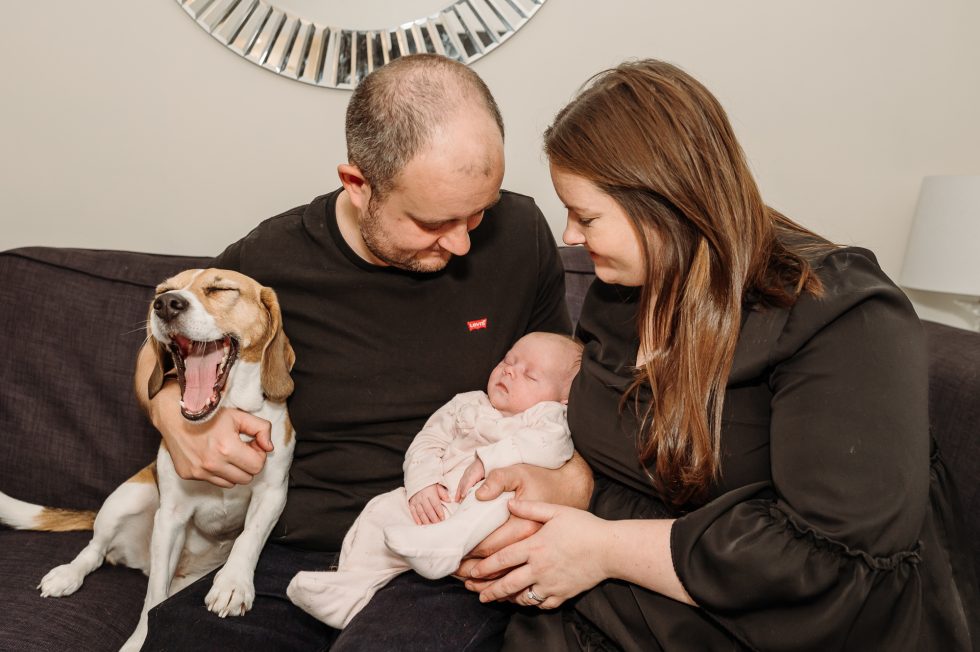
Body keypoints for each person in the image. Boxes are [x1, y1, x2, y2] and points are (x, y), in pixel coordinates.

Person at [459, 59, 980, 650]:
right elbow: (621, 450)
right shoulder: (619, 292)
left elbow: (834, 564)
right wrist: (570, 487)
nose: (571, 236)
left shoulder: (839, 313)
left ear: (666, 202)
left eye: (587, 215)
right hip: (601, 604)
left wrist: (602, 548)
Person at [133, 54, 594, 651]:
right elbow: (162, 345)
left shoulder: (521, 234)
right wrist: (172, 417)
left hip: (444, 552)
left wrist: (573, 482)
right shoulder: (273, 258)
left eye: (477, 213)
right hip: (295, 550)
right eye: (434, 221)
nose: (461, 242)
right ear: (358, 186)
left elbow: (567, 394)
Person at [287, 332, 583, 629]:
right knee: (381, 511)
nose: (509, 371)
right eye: (508, 360)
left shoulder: (549, 418)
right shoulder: (467, 403)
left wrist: (488, 460)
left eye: (530, 376)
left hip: (485, 516)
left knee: (504, 497)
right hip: (438, 502)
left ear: (564, 398)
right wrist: (423, 483)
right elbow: (428, 440)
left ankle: (447, 544)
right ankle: (349, 590)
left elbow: (553, 446)